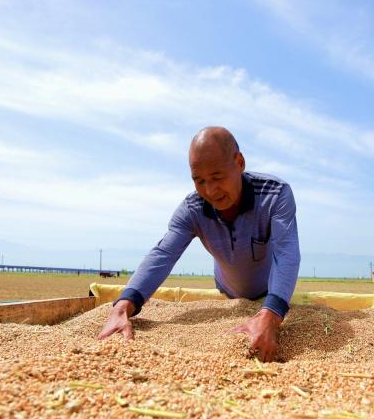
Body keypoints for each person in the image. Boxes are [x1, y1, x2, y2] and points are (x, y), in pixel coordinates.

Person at [97, 127, 300, 362]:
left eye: (217, 177)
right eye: (199, 180)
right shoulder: (192, 209)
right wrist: (122, 307)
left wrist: (271, 313)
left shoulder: (275, 195)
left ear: (240, 162)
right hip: (227, 291)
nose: (210, 191)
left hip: (268, 291)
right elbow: (163, 254)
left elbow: (286, 252)